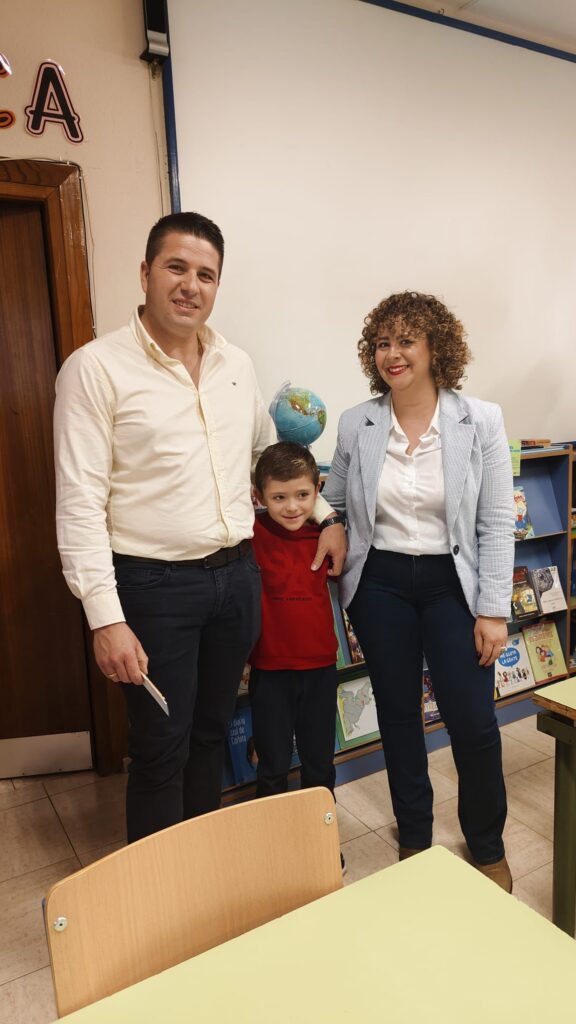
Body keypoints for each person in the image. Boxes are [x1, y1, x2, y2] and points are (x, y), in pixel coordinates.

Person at [53, 212, 346, 843]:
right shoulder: (95, 369)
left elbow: (269, 459)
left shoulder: (235, 364)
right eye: (176, 267)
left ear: (217, 285)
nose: (191, 285)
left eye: (206, 274)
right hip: (153, 589)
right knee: (162, 746)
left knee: (211, 732)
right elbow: (78, 505)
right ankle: (162, 892)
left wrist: (325, 516)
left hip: (237, 580)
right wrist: (105, 619)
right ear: (146, 273)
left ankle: (204, 869)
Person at [322, 290, 515, 891]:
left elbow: (495, 520)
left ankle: (486, 843)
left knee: (473, 721)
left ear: (436, 348)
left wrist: (493, 609)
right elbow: (333, 501)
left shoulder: (480, 420)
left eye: (407, 341)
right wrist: (331, 524)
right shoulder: (357, 423)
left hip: (451, 585)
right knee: (399, 716)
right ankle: (414, 835)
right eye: (383, 343)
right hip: (379, 584)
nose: (393, 354)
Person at [248, 442, 339, 799]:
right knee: (272, 764)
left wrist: (332, 520)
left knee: (320, 762)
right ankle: (273, 834)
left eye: (302, 495)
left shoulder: (329, 535)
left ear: (317, 491)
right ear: (259, 496)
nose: (291, 507)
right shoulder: (250, 533)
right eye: (279, 497)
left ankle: (319, 832)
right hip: (269, 669)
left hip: (320, 667)